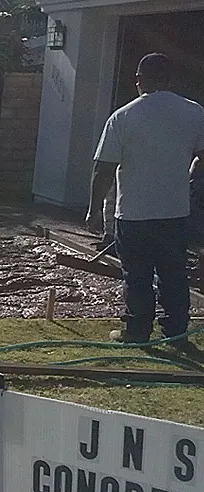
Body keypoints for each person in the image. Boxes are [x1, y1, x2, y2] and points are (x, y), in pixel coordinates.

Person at [86, 53, 204, 345]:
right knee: (174, 275)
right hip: (175, 212)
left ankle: (136, 332)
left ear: (139, 81)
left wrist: (94, 211)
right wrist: (190, 176)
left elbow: (103, 168)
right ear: (171, 80)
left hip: (133, 213)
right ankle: (176, 333)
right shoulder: (194, 113)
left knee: (137, 276)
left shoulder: (124, 116)